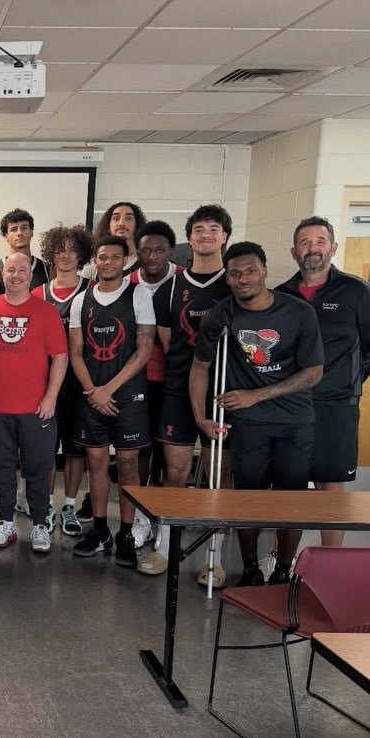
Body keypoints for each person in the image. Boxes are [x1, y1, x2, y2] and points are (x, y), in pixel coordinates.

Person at [191, 242, 324, 587]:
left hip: (294, 420)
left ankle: (282, 569)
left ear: (265, 271)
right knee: (246, 498)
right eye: (235, 273)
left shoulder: (298, 313)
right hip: (249, 424)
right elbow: (200, 369)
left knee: (290, 500)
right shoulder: (219, 316)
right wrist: (200, 418)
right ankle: (249, 568)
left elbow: (313, 373)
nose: (243, 279)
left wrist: (257, 394)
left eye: (250, 271)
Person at [277, 216, 370, 547]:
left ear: (333, 248)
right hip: (290, 405)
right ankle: (284, 562)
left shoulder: (357, 292)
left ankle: (331, 560)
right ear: (294, 251)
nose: (313, 248)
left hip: (336, 406)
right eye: (305, 242)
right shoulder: (281, 295)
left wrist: (345, 380)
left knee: (330, 485)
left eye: (320, 241)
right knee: (288, 487)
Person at [147, 206, 231, 579]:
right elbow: (168, 343)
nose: (206, 235)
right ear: (190, 238)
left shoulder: (237, 282)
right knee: (176, 472)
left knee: (218, 478)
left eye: (214, 229)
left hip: (226, 397)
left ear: (225, 236)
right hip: (179, 392)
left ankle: (216, 559)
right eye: (199, 229)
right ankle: (164, 547)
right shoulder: (170, 289)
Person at [68, 235, 155, 567]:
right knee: (97, 463)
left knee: (129, 464)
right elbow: (76, 353)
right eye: (102, 257)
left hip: (128, 396)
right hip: (92, 396)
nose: (108, 263)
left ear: (125, 260)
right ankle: (101, 529)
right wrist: (94, 390)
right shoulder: (81, 300)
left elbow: (144, 348)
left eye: (114, 257)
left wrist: (109, 389)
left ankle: (127, 533)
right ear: (95, 260)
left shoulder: (140, 295)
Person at [0, 253, 68, 554]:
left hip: (36, 409)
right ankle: (6, 523)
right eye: (10, 270)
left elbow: (60, 356)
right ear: (3, 275)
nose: (15, 275)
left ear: (31, 276)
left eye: (21, 270)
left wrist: (51, 396)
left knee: (38, 468)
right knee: (2, 469)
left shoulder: (46, 312)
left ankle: (41, 524)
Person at [33, 223, 94, 538]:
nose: (66, 255)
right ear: (51, 254)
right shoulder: (38, 294)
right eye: (60, 249)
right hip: (43, 384)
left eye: (73, 249)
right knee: (44, 449)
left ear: (82, 254)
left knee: (74, 449)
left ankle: (69, 503)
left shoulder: (93, 290)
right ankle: (44, 504)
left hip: (80, 383)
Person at [127, 220, 184, 547]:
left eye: (159, 250)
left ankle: (165, 520)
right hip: (138, 380)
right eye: (145, 249)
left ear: (170, 252)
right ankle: (141, 517)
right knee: (139, 450)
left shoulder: (180, 282)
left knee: (170, 456)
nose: (152, 256)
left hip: (174, 382)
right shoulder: (128, 283)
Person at [0, 208, 49, 300]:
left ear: (31, 232)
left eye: (24, 228)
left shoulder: (47, 269)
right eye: (14, 229)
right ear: (6, 236)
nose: (20, 233)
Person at [83, 202, 145, 277]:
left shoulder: (147, 264)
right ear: (108, 226)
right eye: (116, 218)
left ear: (137, 226)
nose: (121, 223)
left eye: (128, 218)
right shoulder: (93, 268)